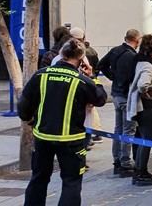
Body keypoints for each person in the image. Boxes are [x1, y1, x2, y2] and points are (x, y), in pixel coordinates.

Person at [19, 38, 107, 206]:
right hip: (71, 141)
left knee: (39, 178)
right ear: (81, 59)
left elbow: (24, 104)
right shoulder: (82, 80)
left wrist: (30, 119)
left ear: (61, 54)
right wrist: (92, 76)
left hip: (43, 137)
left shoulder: (41, 74)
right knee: (71, 181)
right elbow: (100, 98)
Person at [97, 29, 141, 176]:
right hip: (126, 95)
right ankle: (125, 161)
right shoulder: (133, 57)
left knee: (118, 128)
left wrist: (113, 77)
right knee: (128, 129)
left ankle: (117, 159)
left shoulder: (116, 51)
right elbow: (133, 77)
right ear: (136, 39)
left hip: (116, 93)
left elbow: (101, 65)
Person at [127, 35, 152, 186]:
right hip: (148, 108)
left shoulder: (140, 63)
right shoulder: (148, 67)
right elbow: (143, 84)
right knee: (147, 140)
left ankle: (139, 169)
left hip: (144, 108)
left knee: (144, 139)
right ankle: (141, 171)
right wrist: (147, 91)